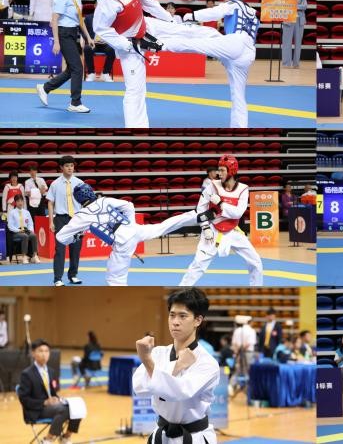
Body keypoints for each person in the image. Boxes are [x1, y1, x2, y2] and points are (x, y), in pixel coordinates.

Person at [56, 184, 196, 286]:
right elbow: (129, 205)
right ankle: (195, 215)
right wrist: (130, 224)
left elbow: (60, 237)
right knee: (164, 226)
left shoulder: (81, 215)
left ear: (78, 199)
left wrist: (75, 237)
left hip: (122, 243)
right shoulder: (105, 200)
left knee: (114, 279)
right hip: (136, 230)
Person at [133, 288, 219, 444]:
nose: (175, 322)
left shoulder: (207, 363)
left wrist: (146, 360)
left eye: (183, 316)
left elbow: (180, 391)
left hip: (194, 437)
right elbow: (139, 388)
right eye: (172, 315)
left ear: (198, 320)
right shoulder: (158, 353)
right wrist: (177, 366)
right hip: (162, 435)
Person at [92, 0, 177, 128]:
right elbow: (100, 28)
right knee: (135, 90)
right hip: (129, 46)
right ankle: (136, 127)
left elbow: (150, 4)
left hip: (146, 28)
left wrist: (169, 19)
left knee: (182, 31)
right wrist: (125, 44)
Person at [178, 0, 260, 128]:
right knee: (238, 95)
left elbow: (215, 12)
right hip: (248, 54)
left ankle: (162, 44)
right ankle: (240, 128)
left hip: (236, 42)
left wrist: (192, 16)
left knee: (199, 42)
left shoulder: (233, 4)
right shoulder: (253, 12)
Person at [179, 155, 264, 286]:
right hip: (213, 229)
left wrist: (221, 203)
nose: (219, 173)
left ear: (232, 171)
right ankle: (181, 291)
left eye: (222, 170)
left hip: (233, 230)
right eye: (218, 170)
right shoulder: (212, 185)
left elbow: (238, 213)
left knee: (256, 261)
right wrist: (205, 227)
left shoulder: (243, 189)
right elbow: (201, 208)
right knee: (198, 264)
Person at [36, 0, 94, 114]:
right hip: (64, 34)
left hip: (73, 33)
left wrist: (88, 37)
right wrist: (56, 42)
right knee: (78, 68)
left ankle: (45, 88)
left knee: (71, 69)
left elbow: (80, 19)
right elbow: (54, 20)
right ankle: (75, 103)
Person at [18, 339, 83, 444]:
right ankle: (48, 439)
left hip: (52, 407)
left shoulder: (51, 371)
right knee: (64, 410)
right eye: (40, 351)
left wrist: (57, 398)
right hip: (36, 410)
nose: (44, 354)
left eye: (47, 351)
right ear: (33, 353)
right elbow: (24, 399)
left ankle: (66, 437)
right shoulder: (27, 374)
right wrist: (44, 402)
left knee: (78, 406)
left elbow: (52, 392)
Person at [46, 156, 84, 287]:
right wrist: (51, 221)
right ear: (61, 167)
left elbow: (84, 203)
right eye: (67, 166)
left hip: (77, 219)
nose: (70, 168)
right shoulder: (55, 184)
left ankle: (73, 275)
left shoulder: (79, 183)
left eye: (72, 166)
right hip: (60, 219)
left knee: (76, 248)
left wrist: (84, 221)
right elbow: (50, 203)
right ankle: (57, 279)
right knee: (60, 249)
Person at [83, 10, 116, 82]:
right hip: (92, 43)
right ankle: (91, 73)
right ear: (95, 6)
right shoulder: (88, 18)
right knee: (87, 48)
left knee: (112, 49)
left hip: (105, 43)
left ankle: (105, 73)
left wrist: (107, 39)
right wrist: (89, 39)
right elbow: (83, 32)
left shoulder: (109, 18)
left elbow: (113, 31)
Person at [281, 0, 307, 68]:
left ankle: (296, 64)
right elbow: (285, 7)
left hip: (299, 21)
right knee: (286, 43)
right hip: (288, 20)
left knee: (298, 43)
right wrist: (295, 6)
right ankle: (286, 63)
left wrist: (294, 6)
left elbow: (304, 6)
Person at [8, 194, 40, 264]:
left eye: (21, 201)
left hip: (26, 230)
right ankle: (24, 257)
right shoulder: (12, 213)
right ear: (15, 202)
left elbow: (30, 223)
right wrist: (19, 230)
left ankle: (34, 256)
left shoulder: (26, 212)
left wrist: (30, 230)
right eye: (18, 201)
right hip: (16, 232)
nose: (20, 203)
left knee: (33, 235)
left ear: (23, 201)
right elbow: (10, 226)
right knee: (24, 236)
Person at [230, 315, 256, 395]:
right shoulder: (251, 330)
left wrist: (238, 351)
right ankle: (248, 389)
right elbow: (249, 343)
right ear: (251, 322)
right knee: (248, 371)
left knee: (237, 370)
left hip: (238, 352)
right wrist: (242, 350)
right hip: (247, 353)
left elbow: (234, 343)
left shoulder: (237, 330)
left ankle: (231, 386)